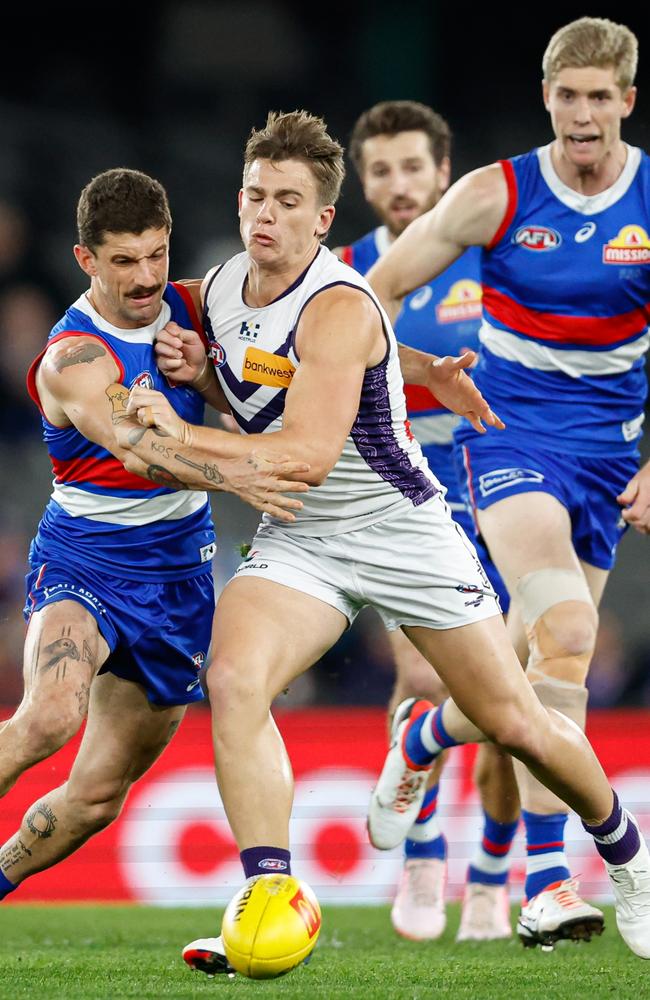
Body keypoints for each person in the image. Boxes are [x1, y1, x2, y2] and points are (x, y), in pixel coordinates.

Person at [119, 109, 650, 971]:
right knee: (233, 676)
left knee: (513, 717)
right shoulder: (220, 287)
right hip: (304, 538)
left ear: (324, 220)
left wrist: (171, 440)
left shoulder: (338, 301)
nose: (265, 213)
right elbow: (259, 390)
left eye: (288, 201)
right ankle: (268, 900)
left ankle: (629, 861)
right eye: (255, 194)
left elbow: (305, 450)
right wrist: (203, 378)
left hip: (401, 529)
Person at [367, 16, 650, 948]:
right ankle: (554, 878)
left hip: (613, 454)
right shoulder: (497, 193)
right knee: (566, 630)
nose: (581, 114)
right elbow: (373, 289)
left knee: (545, 675)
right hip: (511, 438)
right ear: (546, 98)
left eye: (599, 97)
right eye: (566, 96)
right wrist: (368, 375)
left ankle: (425, 740)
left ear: (626, 102)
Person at [0, 168, 309, 901]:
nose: (145, 278)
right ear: (86, 260)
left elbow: (277, 388)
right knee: (49, 714)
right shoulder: (75, 358)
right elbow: (141, 452)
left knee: (98, 796)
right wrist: (241, 477)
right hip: (87, 559)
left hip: (178, 576)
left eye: (156, 255)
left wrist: (210, 379)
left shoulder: (200, 309)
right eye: (123, 260)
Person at [335, 100, 521, 942]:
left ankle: (493, 871)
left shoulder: (496, 259)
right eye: (382, 171)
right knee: (422, 682)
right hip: (409, 507)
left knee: (514, 706)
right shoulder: (343, 277)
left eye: (414, 167)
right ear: (364, 184)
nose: (400, 185)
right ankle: (420, 857)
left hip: (507, 498)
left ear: (445, 173)